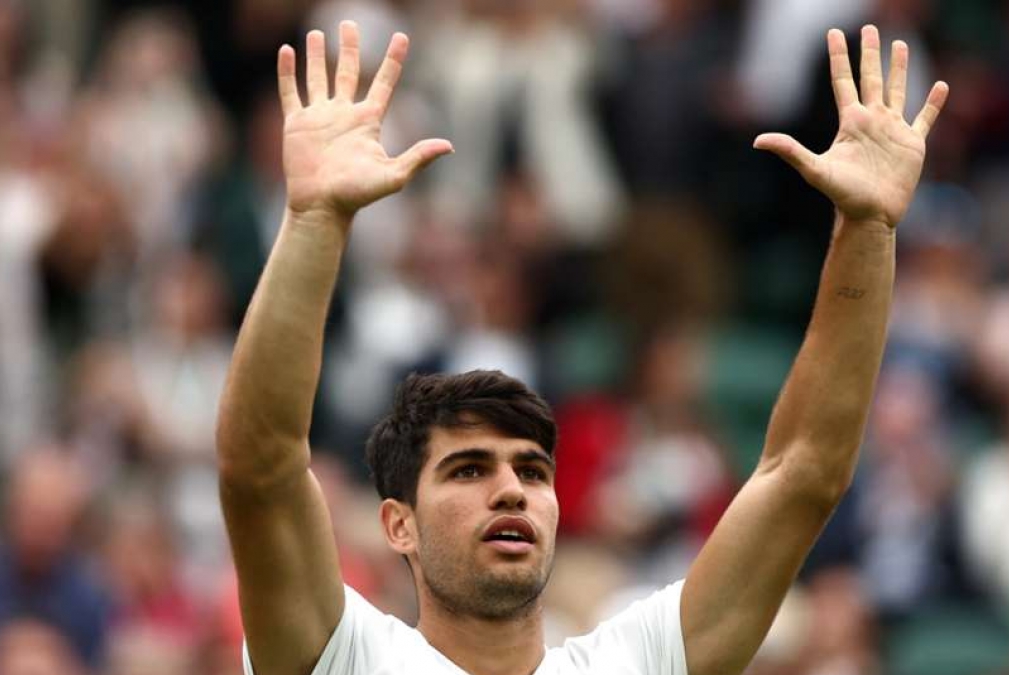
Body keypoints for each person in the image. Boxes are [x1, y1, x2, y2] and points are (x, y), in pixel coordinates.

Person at [216, 20, 947, 675]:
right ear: (397, 524)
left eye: (533, 471)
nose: (512, 489)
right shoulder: (347, 656)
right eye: (468, 469)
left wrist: (868, 230)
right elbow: (261, 466)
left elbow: (804, 471)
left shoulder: (635, 662)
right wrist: (314, 221)